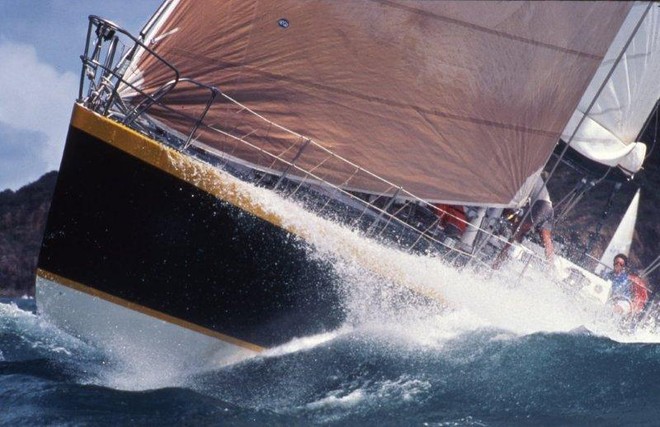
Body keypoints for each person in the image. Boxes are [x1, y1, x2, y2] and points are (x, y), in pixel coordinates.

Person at [493, 175, 554, 269]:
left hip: (540, 206)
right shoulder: (535, 174)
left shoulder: (527, 173)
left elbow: (520, 199)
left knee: (518, 230)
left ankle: (498, 262)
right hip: (549, 208)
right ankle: (551, 267)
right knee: (546, 240)